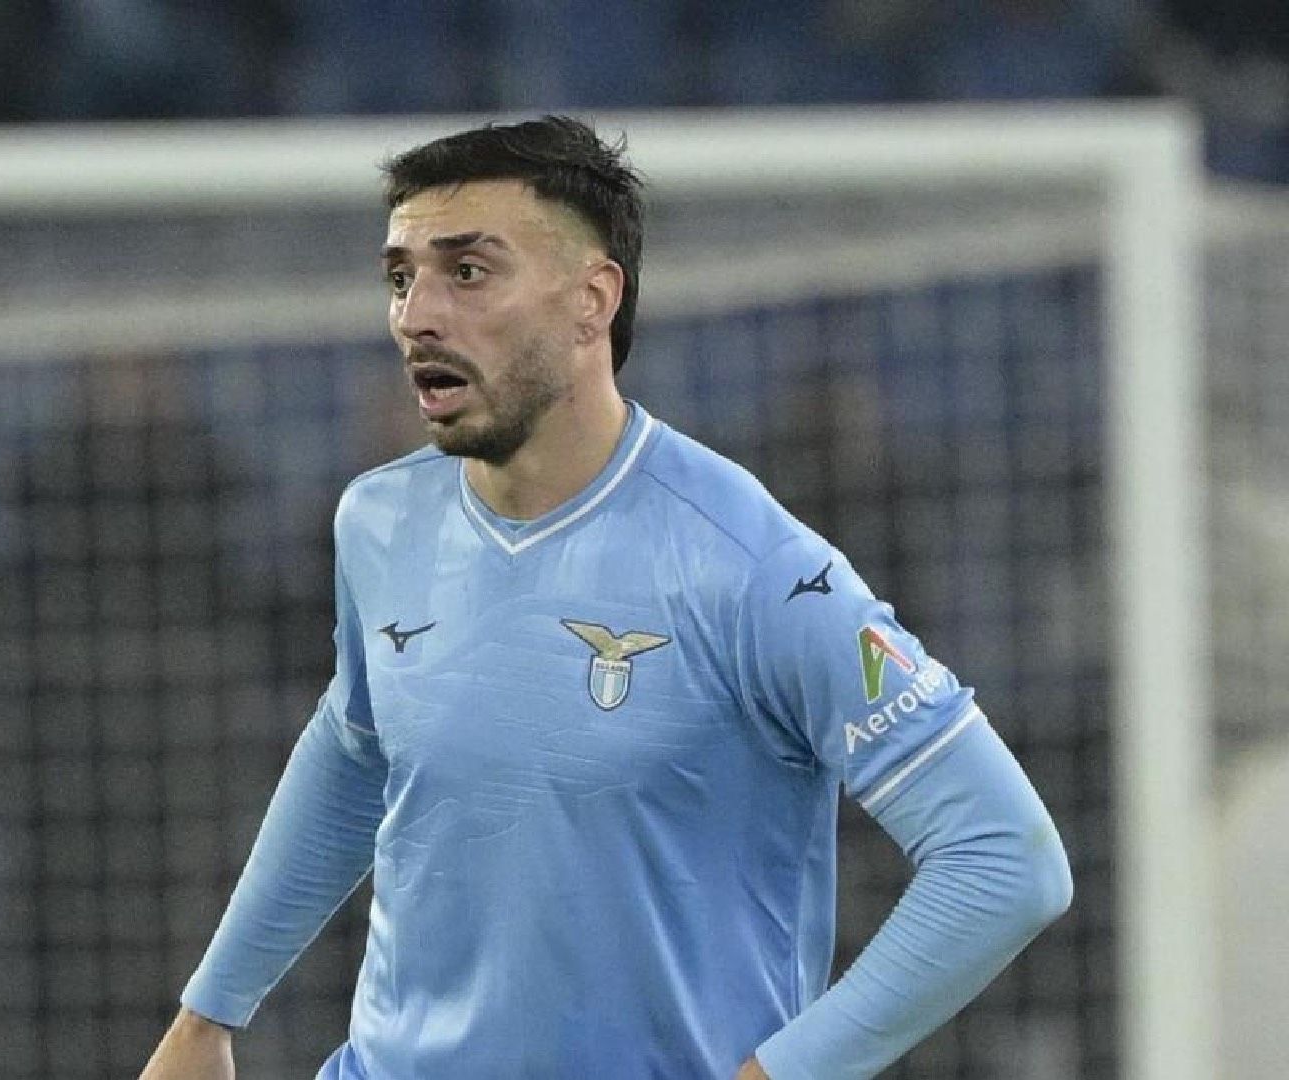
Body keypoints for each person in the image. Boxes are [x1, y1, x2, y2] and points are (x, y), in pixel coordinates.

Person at [138, 116, 1072, 1079]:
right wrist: (209, 1012)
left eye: (468, 272)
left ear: (593, 301)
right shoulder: (377, 520)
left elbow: (1005, 858)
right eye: (401, 277)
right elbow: (356, 745)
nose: (417, 316)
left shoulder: (749, 565)